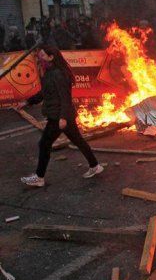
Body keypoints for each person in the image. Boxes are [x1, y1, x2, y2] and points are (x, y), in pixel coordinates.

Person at [17, 46, 103, 187]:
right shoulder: (50, 73)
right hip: (60, 115)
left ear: (51, 57)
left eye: (43, 56)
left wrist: (63, 118)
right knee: (78, 141)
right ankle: (95, 166)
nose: (40, 59)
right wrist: (27, 102)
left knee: (44, 144)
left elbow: (65, 97)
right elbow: (44, 93)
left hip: (59, 116)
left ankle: (39, 177)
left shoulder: (58, 74)